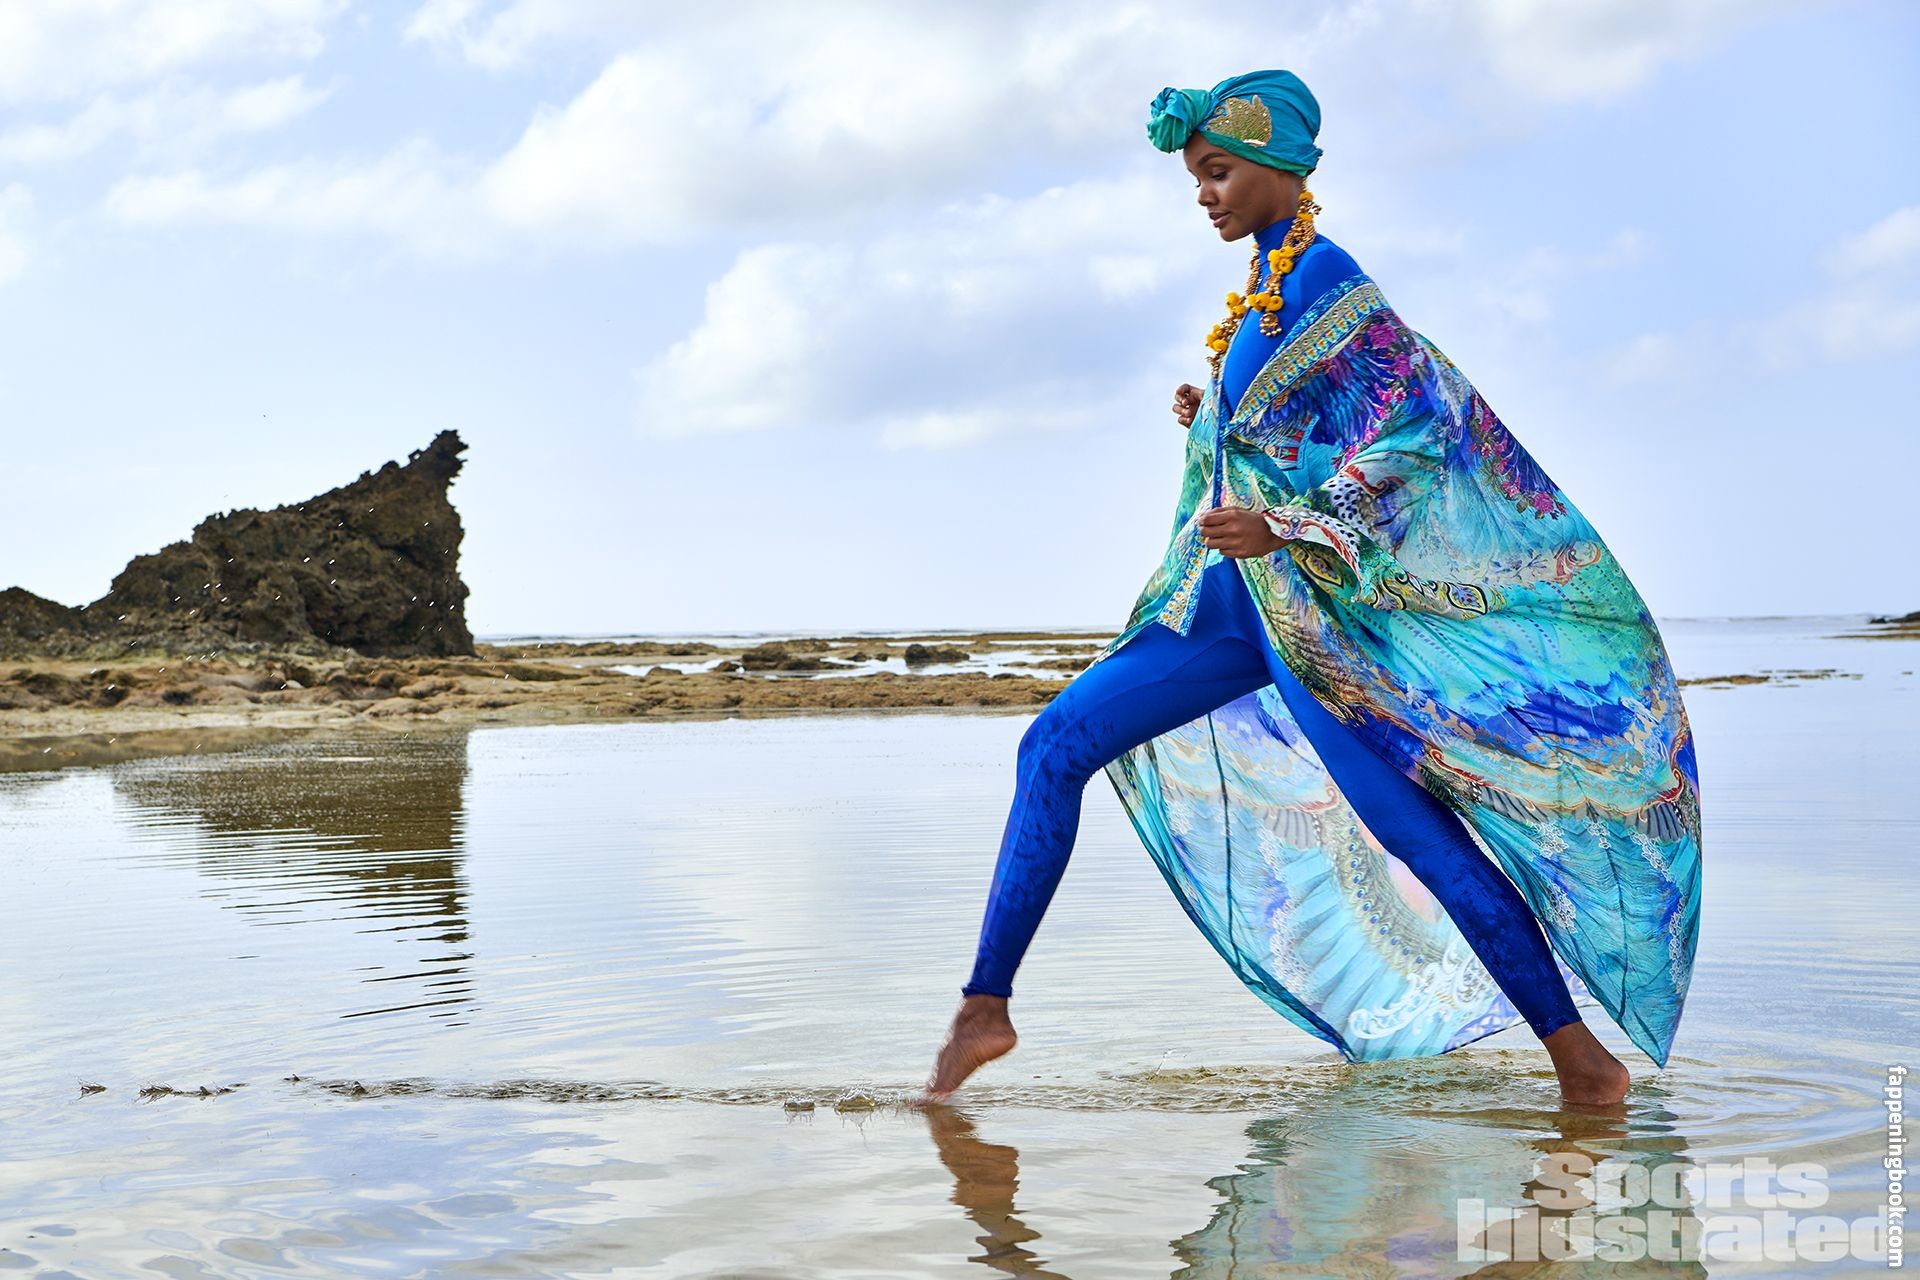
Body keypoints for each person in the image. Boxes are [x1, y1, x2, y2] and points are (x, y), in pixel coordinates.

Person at [922, 70, 1702, 1108]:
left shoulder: (1328, 275)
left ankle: (1583, 1065)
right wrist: (1213, 416)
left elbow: (1412, 430)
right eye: (1197, 179)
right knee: (1054, 745)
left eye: (1219, 171)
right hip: (1229, 604)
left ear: (1282, 166)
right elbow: (1305, 425)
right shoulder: (1263, 284)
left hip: (1309, 618)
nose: (1205, 195)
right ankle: (985, 1005)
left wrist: (1284, 523)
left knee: (1417, 834)